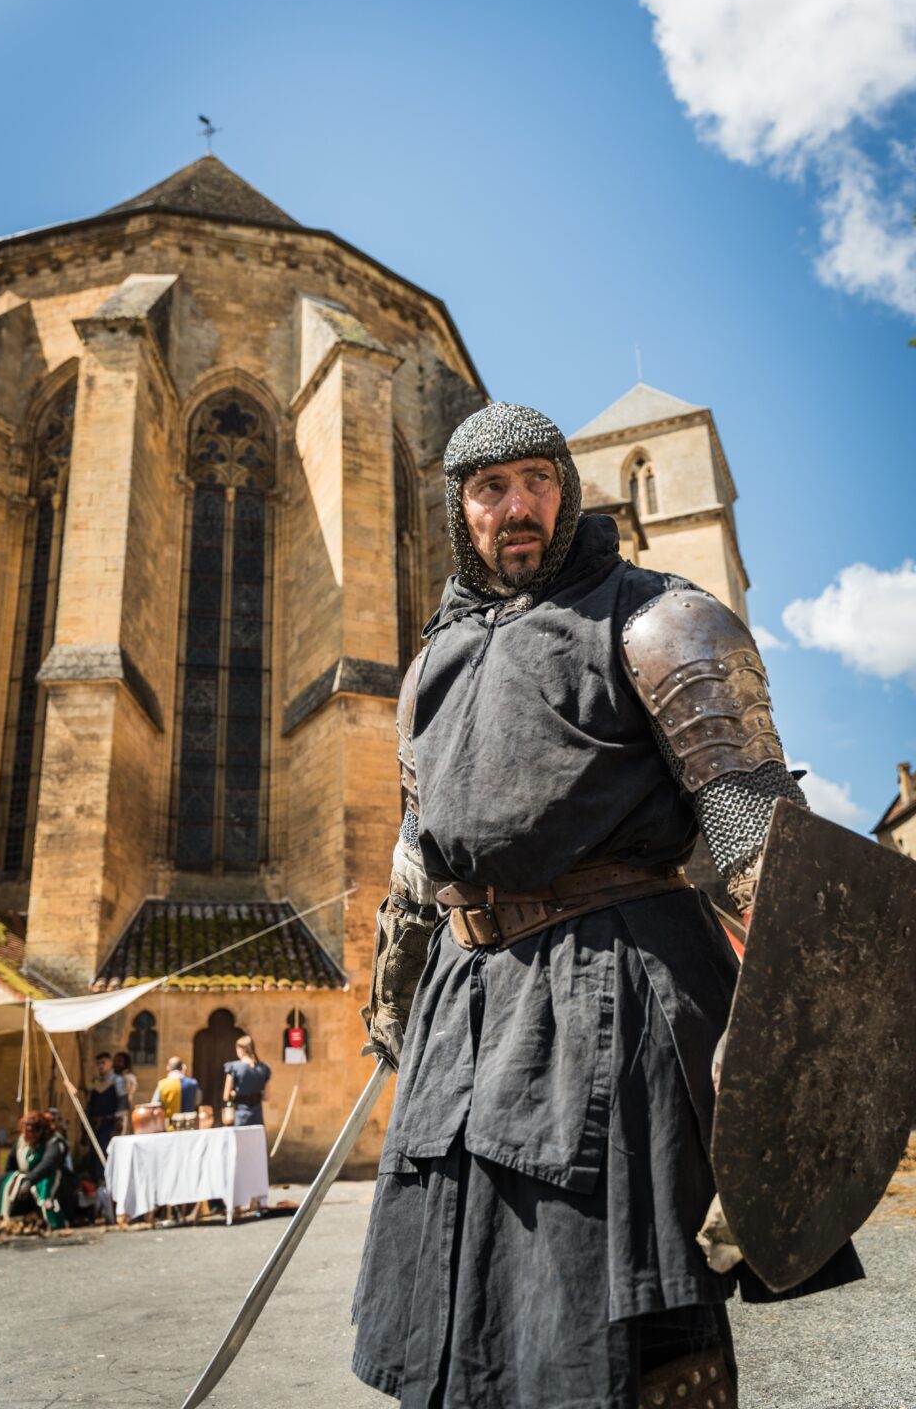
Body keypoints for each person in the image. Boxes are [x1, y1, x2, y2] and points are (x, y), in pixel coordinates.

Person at [353, 403, 862, 1409]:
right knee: (461, 1321)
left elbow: (759, 837)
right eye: (491, 489)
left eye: (538, 480)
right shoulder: (431, 668)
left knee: (621, 1327)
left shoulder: (660, 619)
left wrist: (790, 1049)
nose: (517, 506)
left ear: (570, 490)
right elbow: (418, 864)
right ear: (461, 510)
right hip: (464, 1013)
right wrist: (395, 1010)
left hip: (615, 990)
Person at [0, 1110, 77, 1230]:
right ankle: (7, 1218)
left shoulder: (55, 1142)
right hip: (26, 1181)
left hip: (52, 1179)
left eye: (33, 1133)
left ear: (41, 1131)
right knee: (3, 1181)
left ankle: (54, 1220)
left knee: (45, 1183)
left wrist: (29, 1180)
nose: (29, 1137)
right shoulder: (21, 1141)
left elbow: (48, 1164)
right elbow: (10, 1166)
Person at [85, 1051, 128, 1180]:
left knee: (105, 1151)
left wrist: (119, 1120)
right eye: (98, 1063)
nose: (100, 1066)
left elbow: (122, 1102)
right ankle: (94, 1180)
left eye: (103, 1063)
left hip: (109, 1123)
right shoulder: (95, 1081)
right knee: (93, 1153)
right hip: (95, 1123)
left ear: (110, 1064)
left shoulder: (117, 1080)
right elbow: (90, 1103)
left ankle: (105, 1180)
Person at [222, 1035, 271, 1127]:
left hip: (241, 1116)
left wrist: (234, 1094)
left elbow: (226, 1096)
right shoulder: (264, 1069)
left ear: (241, 1049)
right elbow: (266, 1097)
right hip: (257, 1116)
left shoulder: (234, 1068)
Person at [152, 1056, 201, 1125]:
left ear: (168, 1068)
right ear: (182, 1068)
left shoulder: (162, 1085)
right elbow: (197, 1101)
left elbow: (155, 1105)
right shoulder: (192, 1083)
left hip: (169, 1127)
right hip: (189, 1126)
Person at [112, 1051, 138, 1119]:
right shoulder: (112, 1076)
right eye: (116, 1061)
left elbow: (128, 1093)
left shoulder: (130, 1077)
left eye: (119, 1061)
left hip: (122, 1109)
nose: (117, 1063)